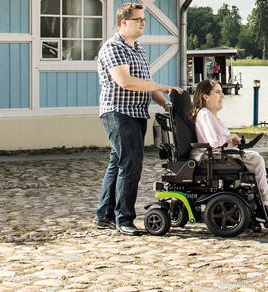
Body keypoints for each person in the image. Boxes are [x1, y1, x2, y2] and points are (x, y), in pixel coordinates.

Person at [96, 3, 184, 235]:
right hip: (118, 112)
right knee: (131, 164)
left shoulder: (138, 49)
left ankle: (104, 215)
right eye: (138, 20)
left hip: (137, 113)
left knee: (118, 163)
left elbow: (145, 83)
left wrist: (165, 103)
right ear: (124, 23)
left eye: (144, 19)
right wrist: (163, 87)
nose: (143, 23)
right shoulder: (113, 48)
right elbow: (126, 82)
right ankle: (124, 219)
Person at [190, 80, 268, 225]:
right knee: (256, 159)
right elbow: (213, 142)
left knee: (257, 162)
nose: (222, 95)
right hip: (212, 158)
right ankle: (264, 205)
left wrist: (231, 141)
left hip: (218, 154)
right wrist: (229, 137)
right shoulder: (204, 114)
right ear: (205, 96)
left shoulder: (210, 116)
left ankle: (266, 202)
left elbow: (217, 140)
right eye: (217, 92)